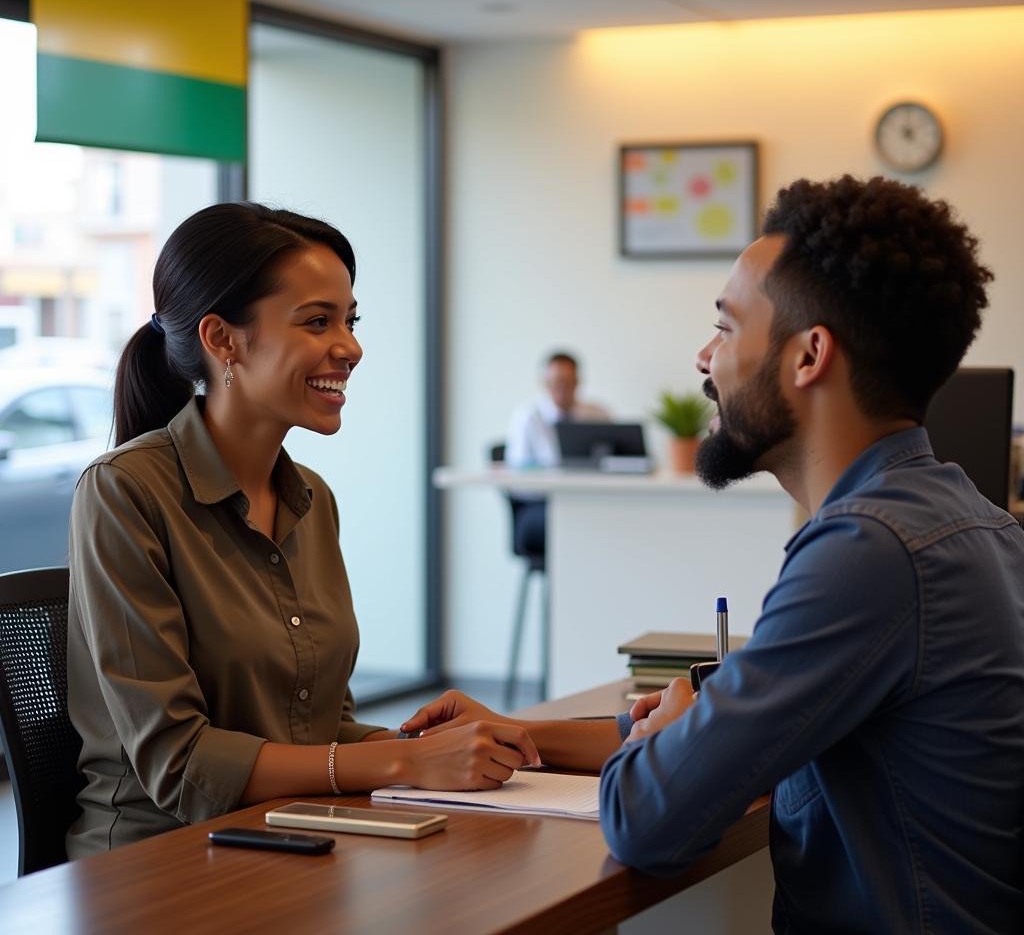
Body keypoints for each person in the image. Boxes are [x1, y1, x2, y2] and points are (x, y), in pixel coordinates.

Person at [400, 176, 1024, 933]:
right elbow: (720, 723)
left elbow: (648, 819)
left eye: (726, 329)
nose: (705, 359)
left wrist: (665, 746)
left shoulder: (871, 552)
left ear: (808, 356)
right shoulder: (966, 520)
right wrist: (513, 733)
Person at [66, 202, 538, 859]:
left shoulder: (313, 499)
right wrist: (403, 765)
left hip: (295, 838)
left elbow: (324, 725)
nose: (350, 347)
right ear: (222, 339)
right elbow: (179, 762)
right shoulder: (124, 492)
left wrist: (432, 749)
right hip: (159, 866)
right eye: (318, 321)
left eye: (350, 320)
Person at [504, 351, 609, 554]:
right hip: (539, 508)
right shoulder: (527, 418)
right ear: (544, 383)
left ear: (578, 382)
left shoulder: (597, 415)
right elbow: (516, 480)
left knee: (606, 519)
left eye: (569, 382)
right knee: (579, 522)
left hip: (588, 503)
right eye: (556, 382)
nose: (562, 388)